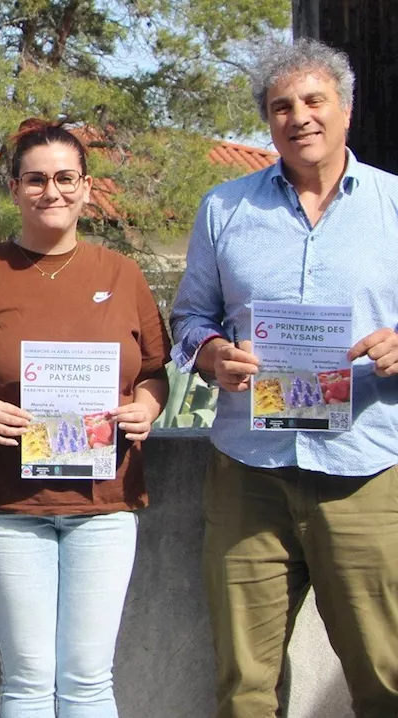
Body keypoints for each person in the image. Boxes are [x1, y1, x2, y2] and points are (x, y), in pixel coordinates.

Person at [170, 38, 398, 717]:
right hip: (250, 471)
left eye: (313, 101)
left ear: (345, 110)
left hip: (365, 468)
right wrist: (211, 354)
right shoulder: (225, 208)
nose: (298, 117)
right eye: (280, 107)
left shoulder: (394, 205)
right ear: (267, 122)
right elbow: (189, 319)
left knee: (385, 677)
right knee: (245, 687)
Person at [0, 119, 170, 717]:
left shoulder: (122, 274)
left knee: (89, 679)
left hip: (104, 505)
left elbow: (154, 372)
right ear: (13, 189)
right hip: (5, 507)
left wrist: (145, 407)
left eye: (66, 178)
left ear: (87, 187)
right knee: (30, 678)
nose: (51, 191)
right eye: (35, 179)